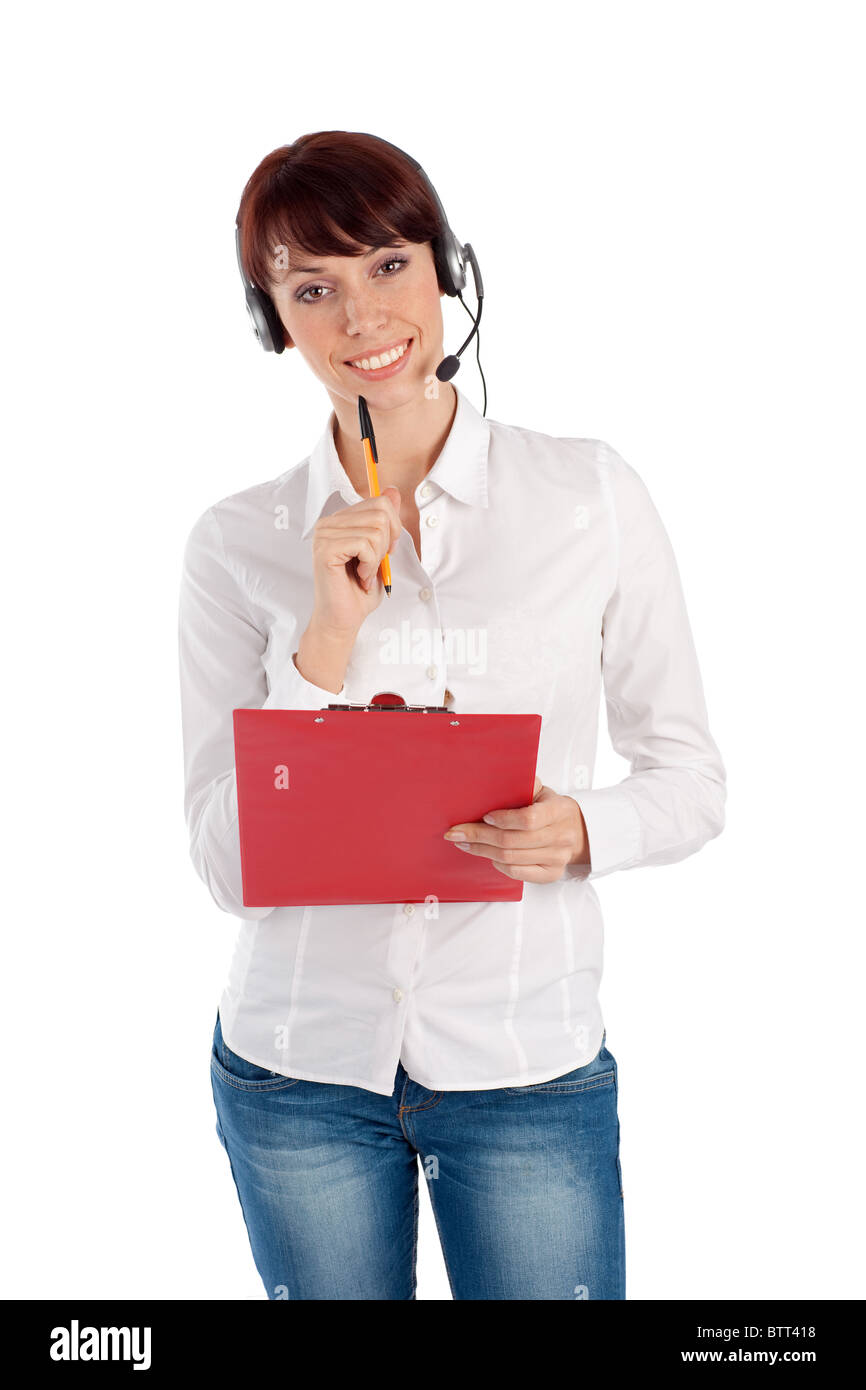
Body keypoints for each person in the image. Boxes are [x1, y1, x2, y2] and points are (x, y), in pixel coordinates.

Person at [177, 130, 726, 1301]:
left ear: (446, 269)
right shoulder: (236, 545)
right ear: (272, 321)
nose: (360, 317)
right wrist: (321, 643)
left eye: (386, 265)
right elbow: (227, 865)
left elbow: (688, 778)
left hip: (523, 1063)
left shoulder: (589, 496)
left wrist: (581, 828)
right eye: (310, 289)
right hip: (296, 1069)